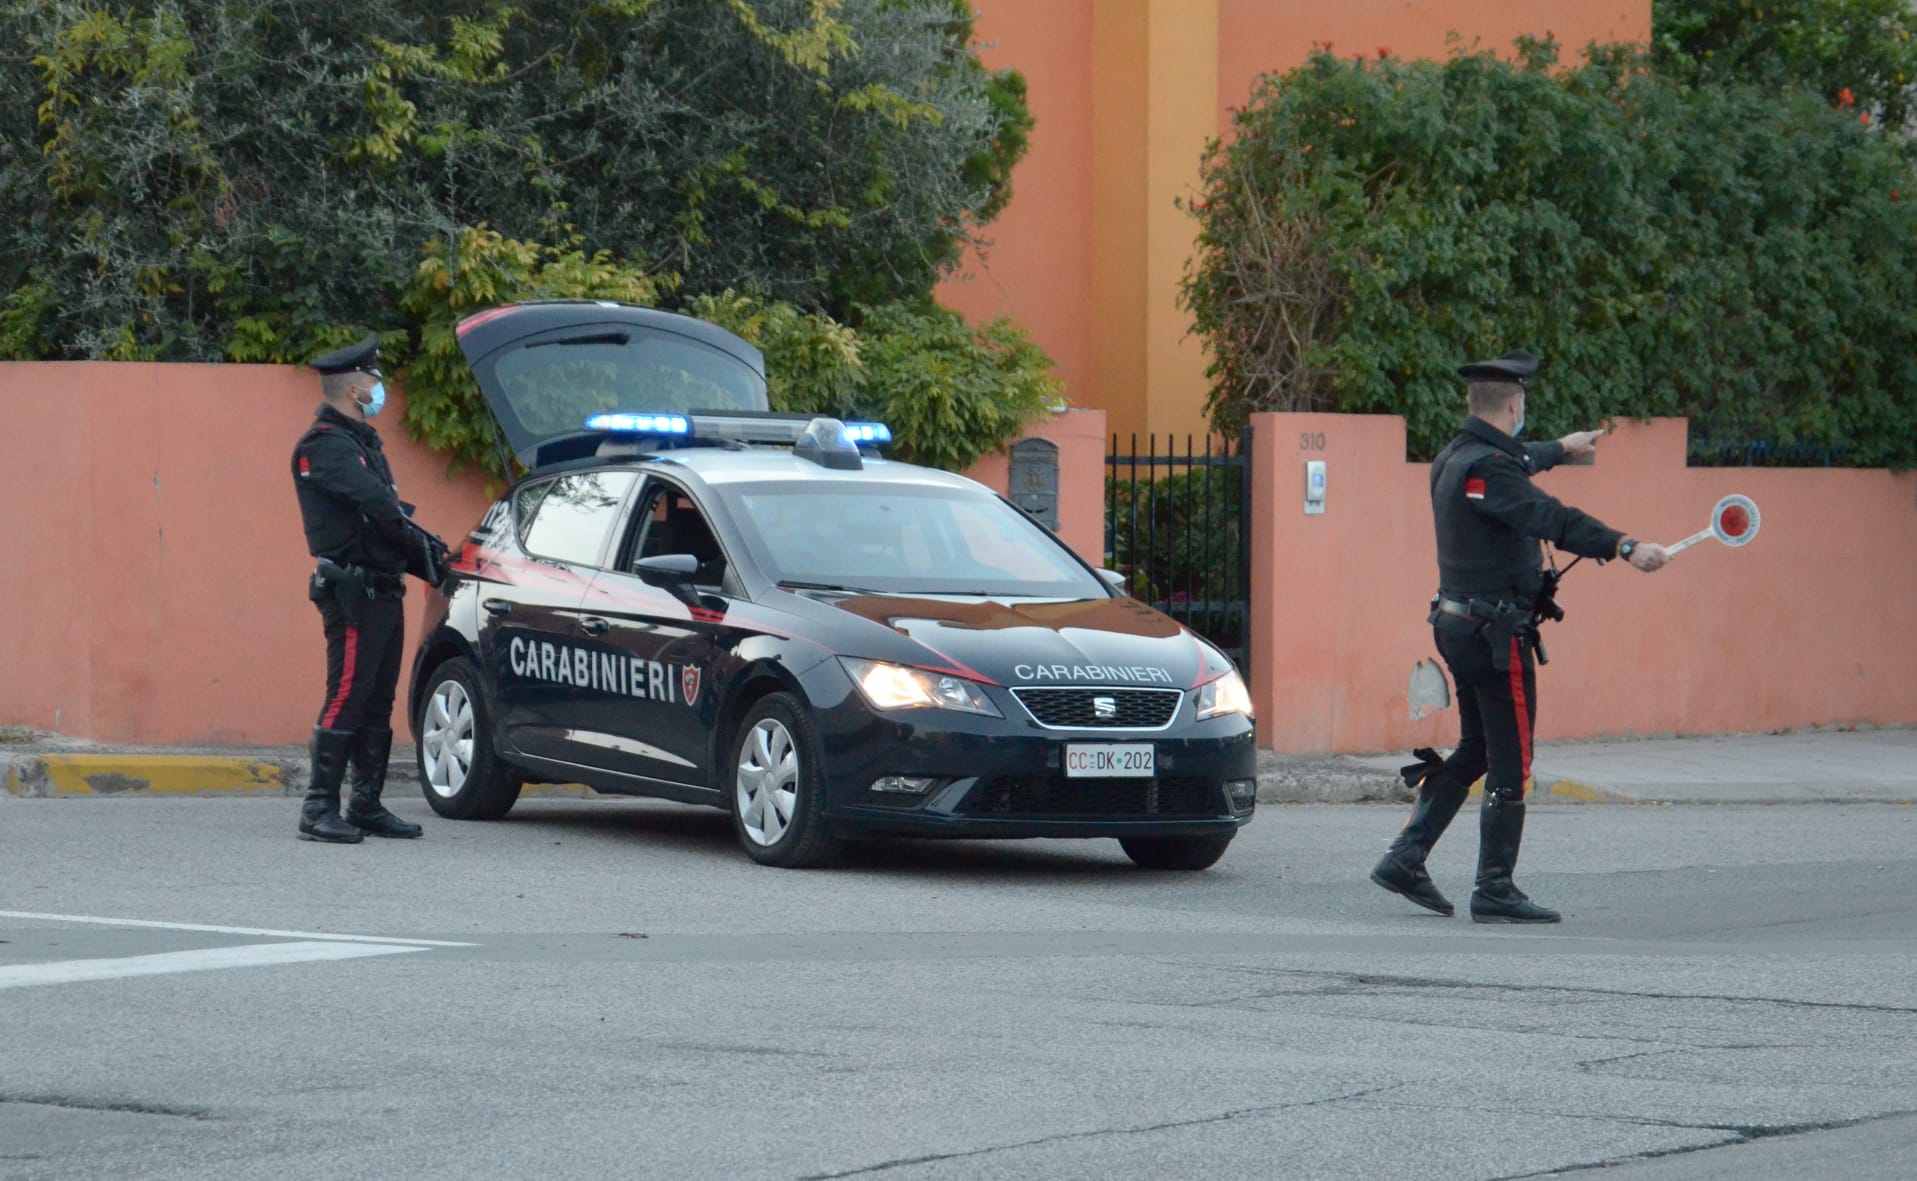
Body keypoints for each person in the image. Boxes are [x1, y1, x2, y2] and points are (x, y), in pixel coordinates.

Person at [1371, 350, 1671, 922]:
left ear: (1471, 403)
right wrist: (1625, 546)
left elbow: (1520, 461)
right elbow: (1549, 517)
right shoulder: (1490, 472)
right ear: (1515, 404)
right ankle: (1495, 887)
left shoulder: (1456, 458)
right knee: (1513, 758)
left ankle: (1405, 857)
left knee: (1478, 748)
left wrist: (1563, 448)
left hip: (1458, 625)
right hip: (1494, 634)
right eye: (1522, 404)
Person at [290, 334, 446, 843]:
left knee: (378, 699)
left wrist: (429, 555)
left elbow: (388, 513)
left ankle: (365, 804)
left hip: (383, 586)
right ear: (354, 387)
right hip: (353, 589)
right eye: (374, 379)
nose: (380, 387)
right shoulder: (324, 445)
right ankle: (318, 809)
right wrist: (418, 543)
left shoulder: (361, 443)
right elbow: (379, 509)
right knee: (348, 695)